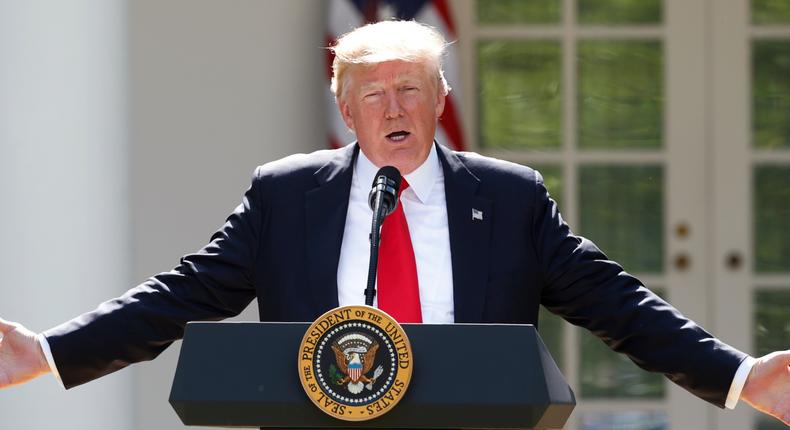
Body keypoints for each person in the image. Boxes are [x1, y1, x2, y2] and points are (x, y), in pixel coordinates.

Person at [0, 20, 788, 426]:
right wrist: (47, 352)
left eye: (412, 90)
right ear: (345, 110)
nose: (395, 108)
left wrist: (740, 376)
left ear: (440, 101)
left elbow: (615, 303)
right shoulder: (287, 196)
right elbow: (183, 295)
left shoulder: (509, 199)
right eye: (373, 95)